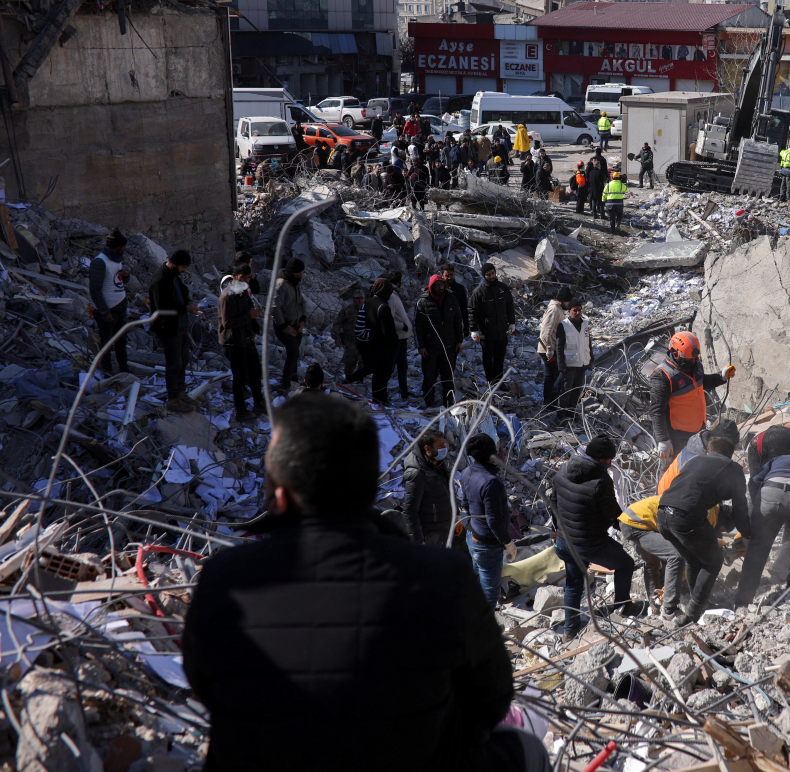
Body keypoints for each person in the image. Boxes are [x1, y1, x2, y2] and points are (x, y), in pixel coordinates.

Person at [182, 396, 537, 772]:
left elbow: (204, 685)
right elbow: (492, 698)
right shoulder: (443, 577)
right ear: (369, 487)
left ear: (280, 493)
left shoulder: (225, 579)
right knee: (526, 749)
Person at [550, 435, 641, 635]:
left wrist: (560, 529)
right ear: (603, 459)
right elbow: (614, 517)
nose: (610, 465)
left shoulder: (564, 469)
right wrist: (636, 530)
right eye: (609, 461)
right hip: (589, 543)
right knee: (625, 563)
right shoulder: (601, 482)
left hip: (565, 541)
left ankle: (570, 630)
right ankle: (623, 606)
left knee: (574, 584)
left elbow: (553, 502)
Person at [657, 435, 752, 625]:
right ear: (730, 455)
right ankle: (693, 613)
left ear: (708, 451)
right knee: (713, 561)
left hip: (662, 515)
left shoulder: (695, 460)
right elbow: (741, 510)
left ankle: (699, 603)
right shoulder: (733, 469)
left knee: (693, 559)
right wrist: (749, 534)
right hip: (686, 517)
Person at [733, 449, 790, 609]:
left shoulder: (778, 459)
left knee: (759, 545)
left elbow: (753, 482)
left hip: (771, 493)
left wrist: (757, 507)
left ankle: (742, 600)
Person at [648, 332, 734, 458]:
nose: (693, 361)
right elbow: (656, 411)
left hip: (699, 429)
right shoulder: (663, 376)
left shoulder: (695, 365)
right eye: (689, 358)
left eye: (695, 357)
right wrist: (663, 440)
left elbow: (701, 382)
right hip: (678, 436)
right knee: (674, 470)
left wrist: (721, 377)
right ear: (676, 354)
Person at [457, 433, 517, 608]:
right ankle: (483, 632)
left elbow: (466, 504)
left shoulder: (467, 472)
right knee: (490, 594)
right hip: (488, 545)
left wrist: (473, 527)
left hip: (473, 537)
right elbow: (494, 521)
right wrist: (508, 543)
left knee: (476, 583)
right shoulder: (490, 482)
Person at [149, 249, 199, 413]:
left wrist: (189, 303)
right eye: (183, 267)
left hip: (180, 325)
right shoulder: (160, 279)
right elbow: (162, 308)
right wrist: (185, 308)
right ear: (175, 264)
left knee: (183, 360)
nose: (184, 270)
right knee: (174, 364)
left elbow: (181, 294)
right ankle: (173, 399)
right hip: (168, 328)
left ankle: (181, 392)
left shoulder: (173, 277)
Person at [218, 264, 266, 420]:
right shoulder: (227, 296)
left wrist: (253, 327)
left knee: (255, 371)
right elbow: (227, 323)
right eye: (243, 277)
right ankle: (241, 410)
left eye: (249, 277)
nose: (246, 280)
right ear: (234, 275)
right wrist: (248, 318)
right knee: (239, 377)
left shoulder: (244, 292)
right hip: (233, 341)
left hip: (245, 339)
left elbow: (249, 310)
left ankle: (259, 402)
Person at [415, 274, 465, 408]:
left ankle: (449, 404)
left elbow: (457, 321)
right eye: (438, 285)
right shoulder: (423, 302)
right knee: (429, 377)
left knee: (448, 377)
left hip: (449, 346)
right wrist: (420, 346)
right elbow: (417, 326)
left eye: (442, 285)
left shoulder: (451, 299)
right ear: (432, 287)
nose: (441, 287)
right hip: (430, 348)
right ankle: (429, 404)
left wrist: (459, 341)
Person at [89, 228, 131, 374]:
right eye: (123, 246)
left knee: (121, 343)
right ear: (116, 247)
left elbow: (119, 281)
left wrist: (126, 276)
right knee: (106, 344)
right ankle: (106, 372)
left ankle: (124, 370)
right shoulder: (100, 262)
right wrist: (104, 311)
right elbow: (95, 290)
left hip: (120, 308)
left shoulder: (117, 259)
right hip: (108, 311)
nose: (125, 249)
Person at [401, 428, 454, 545]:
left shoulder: (439, 464)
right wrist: (418, 541)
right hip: (430, 533)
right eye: (440, 445)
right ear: (427, 448)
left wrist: (456, 515)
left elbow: (448, 490)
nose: (444, 448)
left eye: (444, 444)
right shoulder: (417, 473)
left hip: (445, 528)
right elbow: (410, 510)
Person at [469, 262, 516, 387]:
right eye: (488, 274)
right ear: (484, 276)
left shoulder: (502, 288)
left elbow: (509, 306)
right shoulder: (479, 292)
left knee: (499, 358)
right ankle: (492, 382)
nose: (491, 276)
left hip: (502, 331)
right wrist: (474, 329)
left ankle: (499, 382)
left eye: (493, 273)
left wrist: (512, 323)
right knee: (488, 359)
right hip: (486, 332)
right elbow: (472, 311)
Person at [271, 259, 307, 392]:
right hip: (284, 327)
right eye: (302, 272)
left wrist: (303, 320)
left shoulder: (294, 283)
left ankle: (294, 380)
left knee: (295, 354)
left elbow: (302, 302)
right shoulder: (281, 285)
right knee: (293, 353)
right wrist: (284, 327)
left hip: (296, 325)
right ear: (296, 273)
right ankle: (286, 384)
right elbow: (274, 308)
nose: (303, 274)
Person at [364, 278, 399, 406]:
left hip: (372, 342)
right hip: (384, 346)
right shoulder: (383, 307)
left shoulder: (369, 302)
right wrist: (394, 340)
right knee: (384, 373)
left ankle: (376, 397)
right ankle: (381, 399)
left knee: (377, 373)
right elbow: (388, 331)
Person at [555, 298, 592, 415]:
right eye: (575, 310)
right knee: (566, 391)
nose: (577, 313)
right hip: (570, 364)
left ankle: (571, 413)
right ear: (569, 311)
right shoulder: (563, 325)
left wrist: (591, 359)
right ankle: (561, 415)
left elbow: (588, 342)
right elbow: (559, 347)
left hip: (582, 363)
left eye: (579, 310)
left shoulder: (585, 323)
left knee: (577, 391)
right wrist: (561, 364)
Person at [538, 286, 571, 411]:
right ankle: (548, 403)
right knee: (552, 376)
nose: (568, 305)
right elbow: (545, 331)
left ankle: (550, 402)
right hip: (548, 349)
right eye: (568, 302)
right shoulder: (554, 310)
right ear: (562, 300)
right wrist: (549, 348)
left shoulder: (558, 309)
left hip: (552, 348)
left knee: (553, 375)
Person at [385, 271, 413, 402]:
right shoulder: (391, 297)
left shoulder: (394, 295)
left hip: (401, 338)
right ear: (399, 282)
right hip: (396, 338)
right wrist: (403, 326)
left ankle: (404, 392)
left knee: (402, 366)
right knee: (390, 367)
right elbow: (389, 320)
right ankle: (381, 392)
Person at [332, 286, 368, 382]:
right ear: (353, 299)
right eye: (357, 298)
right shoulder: (347, 310)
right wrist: (337, 338)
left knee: (363, 361)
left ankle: (360, 381)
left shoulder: (368, 309)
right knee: (350, 360)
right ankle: (348, 379)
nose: (360, 301)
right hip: (350, 340)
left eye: (362, 298)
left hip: (364, 340)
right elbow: (337, 323)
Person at [439, 262, 469, 331]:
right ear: (442, 275)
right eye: (447, 276)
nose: (449, 278)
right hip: (441, 326)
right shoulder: (439, 289)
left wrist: (466, 324)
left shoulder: (460, 289)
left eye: (451, 275)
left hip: (455, 325)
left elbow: (464, 308)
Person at [587, 149, 608, 219]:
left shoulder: (591, 173)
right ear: (597, 165)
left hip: (592, 189)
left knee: (593, 201)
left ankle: (594, 214)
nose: (600, 166)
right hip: (599, 189)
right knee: (601, 203)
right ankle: (602, 214)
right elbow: (601, 181)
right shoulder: (600, 172)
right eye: (599, 165)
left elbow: (589, 179)